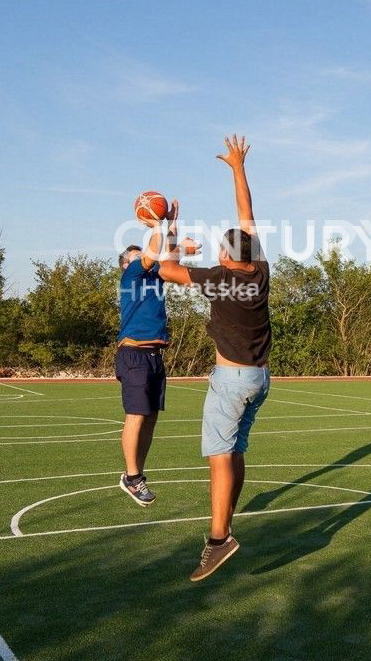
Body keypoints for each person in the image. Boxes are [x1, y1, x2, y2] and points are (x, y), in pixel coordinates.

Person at [160, 135, 271, 582]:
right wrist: (238, 169)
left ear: (226, 256)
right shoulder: (258, 271)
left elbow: (165, 269)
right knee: (235, 449)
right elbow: (248, 216)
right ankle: (227, 518)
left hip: (232, 380)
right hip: (260, 379)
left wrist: (168, 230)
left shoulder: (218, 278)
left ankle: (219, 539)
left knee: (219, 455)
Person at [115, 200, 184, 506]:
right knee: (136, 415)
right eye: (138, 257)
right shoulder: (131, 277)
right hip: (134, 355)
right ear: (126, 264)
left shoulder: (155, 277)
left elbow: (171, 257)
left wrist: (171, 224)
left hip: (155, 356)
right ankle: (131, 478)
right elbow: (154, 252)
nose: (145, 258)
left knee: (151, 418)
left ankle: (137, 474)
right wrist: (157, 222)